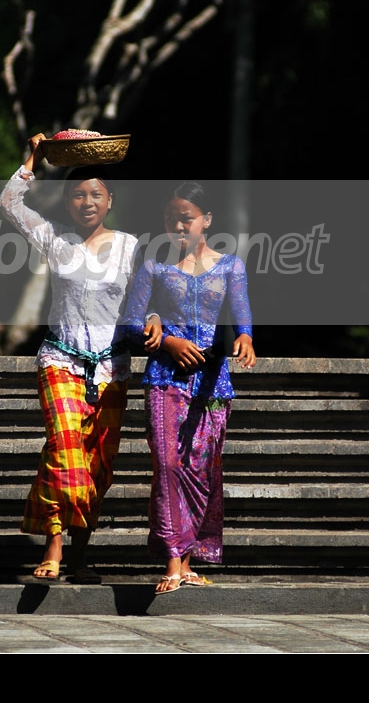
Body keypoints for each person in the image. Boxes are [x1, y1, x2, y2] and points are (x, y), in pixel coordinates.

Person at [0, 133, 149, 584]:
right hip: (60, 361)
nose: (87, 202)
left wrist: (155, 319)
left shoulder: (130, 246)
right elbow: (9, 203)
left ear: (110, 200)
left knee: (98, 466)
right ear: (67, 203)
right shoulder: (55, 240)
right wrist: (34, 158)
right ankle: (54, 546)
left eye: (96, 194)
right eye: (78, 195)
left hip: (111, 369)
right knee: (66, 451)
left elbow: (145, 300)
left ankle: (80, 556)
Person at [122, 180, 256, 595]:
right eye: (170, 219)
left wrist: (246, 337)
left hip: (212, 384)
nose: (178, 226)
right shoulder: (154, 267)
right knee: (167, 466)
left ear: (206, 220)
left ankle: (188, 560)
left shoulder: (231, 266)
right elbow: (130, 323)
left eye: (187, 218)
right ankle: (172, 560)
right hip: (165, 379)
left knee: (200, 471)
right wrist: (167, 341)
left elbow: (241, 313)